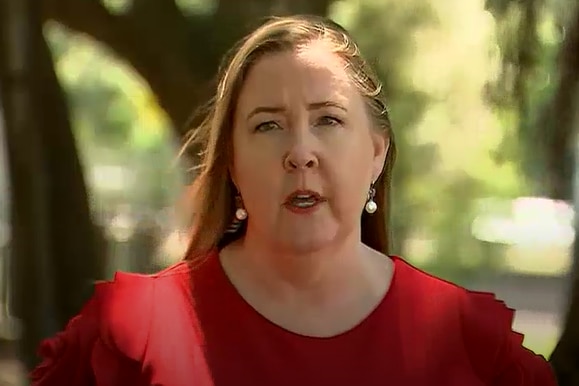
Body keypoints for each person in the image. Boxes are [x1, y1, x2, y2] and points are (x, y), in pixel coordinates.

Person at [30, 15, 557, 386]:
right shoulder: (127, 338)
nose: (300, 152)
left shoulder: (471, 347)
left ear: (376, 153)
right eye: (268, 126)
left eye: (328, 119)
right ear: (232, 164)